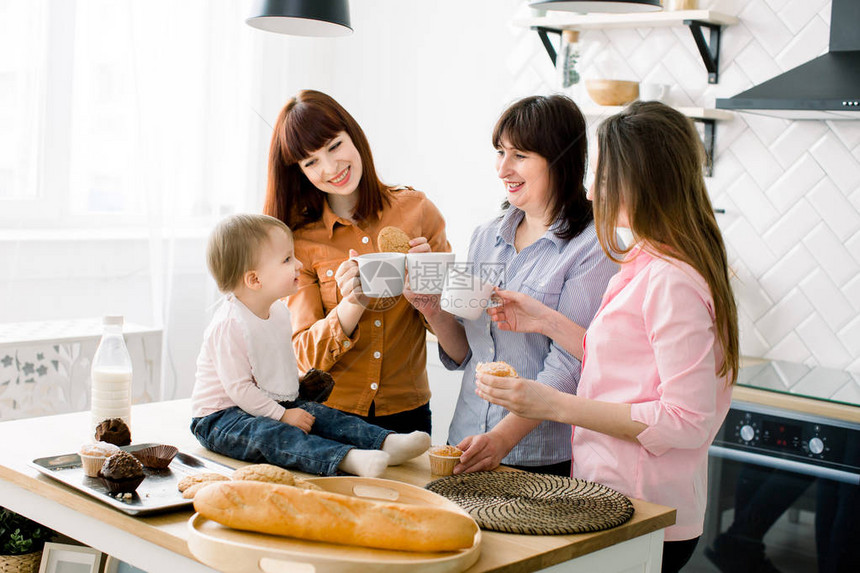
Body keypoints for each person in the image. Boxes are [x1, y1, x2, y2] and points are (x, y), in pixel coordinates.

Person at [476, 101, 739, 573]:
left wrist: (551, 404)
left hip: (647, 509)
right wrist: (545, 320)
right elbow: (625, 364)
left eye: (601, 177)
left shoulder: (671, 279)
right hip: (613, 496)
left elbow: (685, 418)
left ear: (641, 180)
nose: (592, 193)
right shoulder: (644, 260)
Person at [406, 94, 617, 477]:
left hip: (539, 457)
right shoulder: (486, 236)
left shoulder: (592, 247)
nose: (503, 168)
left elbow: (570, 364)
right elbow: (468, 353)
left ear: (560, 160)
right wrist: (431, 309)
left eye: (519, 155)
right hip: (465, 441)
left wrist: (502, 438)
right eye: (500, 152)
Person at [264, 90, 450, 435]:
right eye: (311, 162)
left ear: (353, 135)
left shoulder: (417, 211)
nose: (331, 168)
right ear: (299, 172)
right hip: (328, 416)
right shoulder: (299, 241)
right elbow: (304, 357)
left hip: (407, 416)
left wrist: (429, 289)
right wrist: (351, 305)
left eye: (334, 146)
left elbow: (458, 343)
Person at [190, 214, 430, 477]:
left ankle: (385, 442)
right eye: (287, 259)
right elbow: (239, 390)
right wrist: (282, 415)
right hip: (221, 418)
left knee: (322, 414)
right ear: (255, 280)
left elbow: (281, 363)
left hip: (266, 403)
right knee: (273, 436)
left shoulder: (279, 313)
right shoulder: (229, 325)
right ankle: (346, 459)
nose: (299, 264)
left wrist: (297, 391)